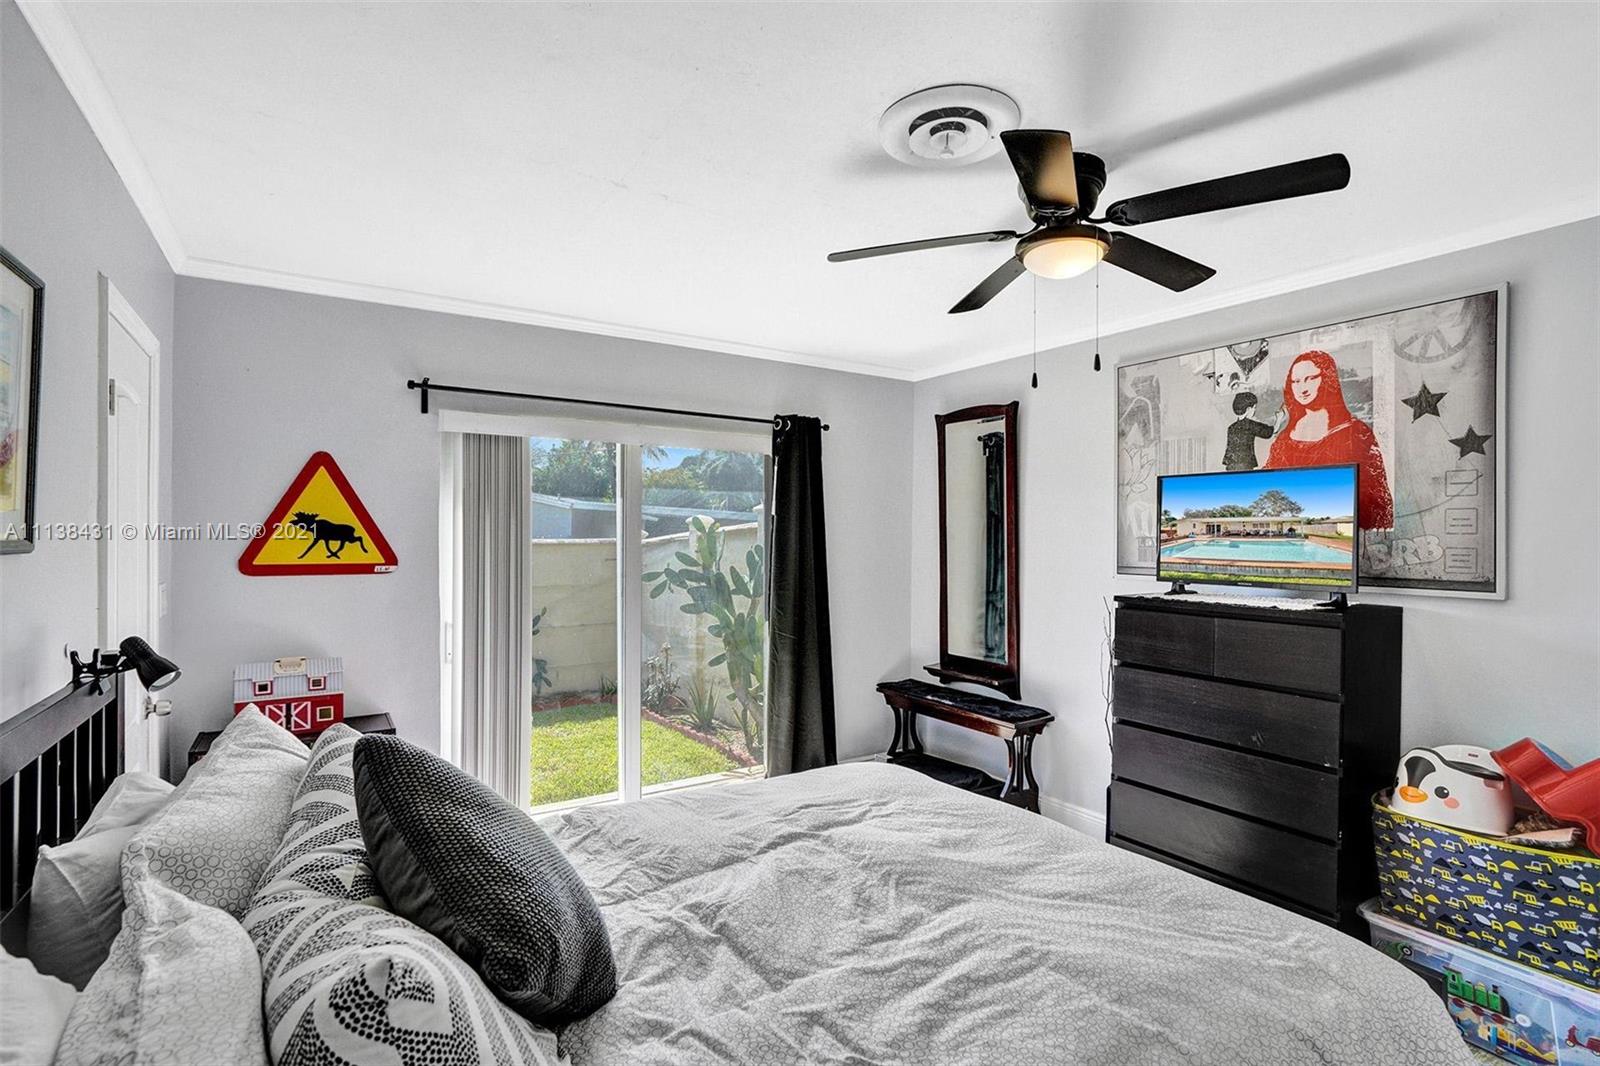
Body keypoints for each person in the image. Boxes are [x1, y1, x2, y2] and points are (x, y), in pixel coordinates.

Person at [1265, 350, 1393, 529]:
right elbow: (1266, 484)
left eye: (1310, 378)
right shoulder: (1284, 439)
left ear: (1327, 379)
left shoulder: (1356, 433)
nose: (1302, 388)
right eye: (1296, 381)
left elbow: (1377, 498)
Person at [1222, 392, 1273, 471]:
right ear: (1248, 409)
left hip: (1230, 465)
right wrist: (1279, 419)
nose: (1255, 410)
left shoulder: (1231, 428)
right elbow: (1268, 433)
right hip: (1244, 465)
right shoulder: (1250, 425)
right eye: (1254, 407)